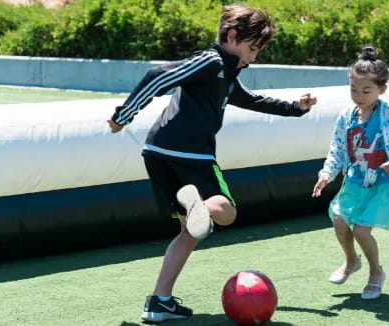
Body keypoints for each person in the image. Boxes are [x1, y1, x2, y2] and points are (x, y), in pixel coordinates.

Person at [107, 4, 317, 322]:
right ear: (231, 36)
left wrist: (295, 108)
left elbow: (253, 100)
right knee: (228, 213)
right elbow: (157, 76)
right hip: (190, 155)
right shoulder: (210, 61)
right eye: (252, 49)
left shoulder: (227, 76)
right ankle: (200, 210)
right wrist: (124, 115)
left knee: (190, 232)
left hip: (158, 153)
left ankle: (158, 302)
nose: (253, 57)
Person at [312, 45, 389, 300]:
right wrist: (326, 174)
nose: (358, 95)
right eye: (353, 89)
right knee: (338, 220)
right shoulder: (347, 116)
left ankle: (375, 273)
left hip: (383, 183)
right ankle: (351, 261)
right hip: (356, 180)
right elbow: (337, 148)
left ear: (381, 89)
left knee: (360, 230)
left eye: (366, 90)